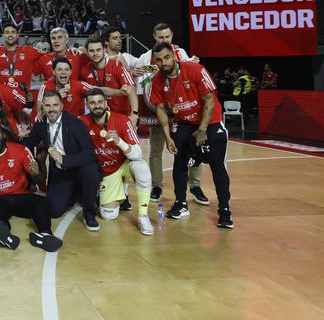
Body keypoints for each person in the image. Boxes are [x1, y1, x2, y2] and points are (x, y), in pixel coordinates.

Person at [149, 42, 233, 229]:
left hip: (210, 121)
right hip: (184, 123)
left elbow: (210, 100)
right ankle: (181, 204)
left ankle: (224, 210)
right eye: (159, 60)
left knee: (217, 165)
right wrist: (168, 136)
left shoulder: (195, 69)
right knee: (179, 162)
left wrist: (202, 130)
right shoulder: (157, 80)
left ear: (174, 55)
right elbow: (161, 109)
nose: (164, 63)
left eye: (167, 57)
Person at [131, 23, 207, 204]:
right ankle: (156, 185)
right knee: (156, 150)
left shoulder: (181, 54)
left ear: (172, 36)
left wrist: (192, 63)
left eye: (167, 37)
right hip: (157, 107)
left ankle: (195, 186)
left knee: (191, 147)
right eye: (160, 37)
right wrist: (135, 72)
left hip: (182, 109)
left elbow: (188, 72)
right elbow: (138, 73)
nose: (164, 40)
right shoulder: (146, 57)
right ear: (154, 37)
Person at [0, 123, 62, 252]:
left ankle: (45, 235)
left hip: (21, 195)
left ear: (3, 135)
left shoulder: (20, 150)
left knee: (42, 202)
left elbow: (40, 180)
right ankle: (4, 236)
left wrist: (37, 173)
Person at [22, 90, 102, 229]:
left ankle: (89, 212)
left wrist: (66, 160)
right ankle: (76, 193)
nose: (51, 109)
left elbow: (89, 153)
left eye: (55, 105)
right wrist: (13, 141)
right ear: (43, 107)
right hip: (61, 172)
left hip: (79, 168)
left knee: (90, 170)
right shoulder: (40, 124)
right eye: (47, 106)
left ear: (62, 106)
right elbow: (29, 143)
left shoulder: (75, 123)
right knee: (53, 211)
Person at [80, 89, 154, 235]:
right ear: (87, 105)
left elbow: (138, 153)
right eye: (92, 103)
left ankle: (143, 215)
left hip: (123, 164)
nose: (97, 105)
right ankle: (117, 188)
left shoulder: (122, 120)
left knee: (141, 167)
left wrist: (119, 142)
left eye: (100, 102)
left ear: (106, 103)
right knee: (109, 215)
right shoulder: (82, 122)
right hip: (106, 172)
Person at [80, 35, 137, 118]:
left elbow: (131, 89)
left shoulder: (118, 65)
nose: (95, 53)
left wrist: (134, 114)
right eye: (92, 51)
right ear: (87, 53)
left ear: (104, 50)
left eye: (98, 50)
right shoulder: (84, 71)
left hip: (122, 116)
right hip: (98, 118)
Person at [0, 24, 46, 90]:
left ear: (17, 35)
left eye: (13, 32)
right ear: (3, 36)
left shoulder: (29, 50)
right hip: (1, 97)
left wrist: (36, 69)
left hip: (22, 97)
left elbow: (49, 56)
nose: (10, 35)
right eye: (7, 32)